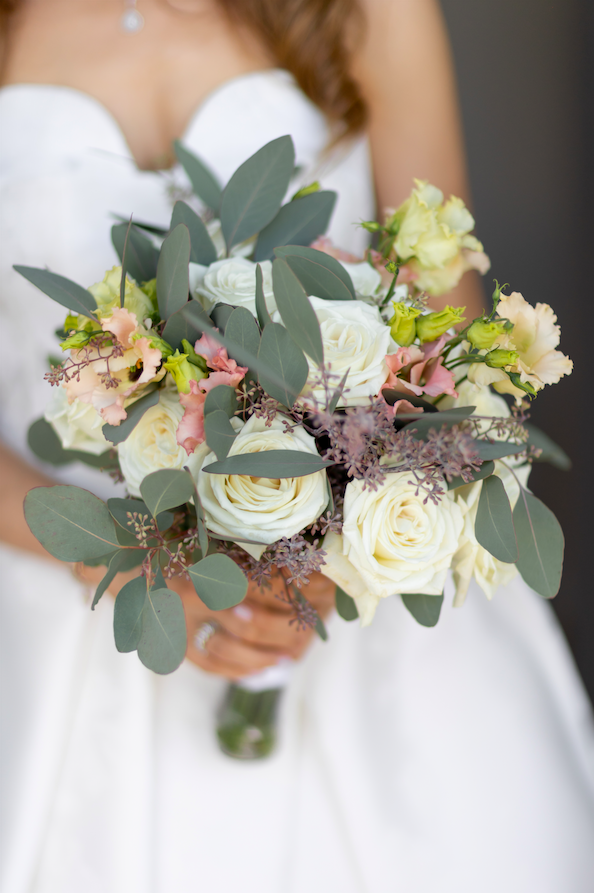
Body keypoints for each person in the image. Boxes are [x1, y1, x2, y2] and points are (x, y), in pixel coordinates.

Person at [0, 1, 593, 891]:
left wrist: (341, 557)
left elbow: (450, 311)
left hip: (347, 595)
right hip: (47, 572)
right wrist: (126, 556)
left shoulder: (372, 11)